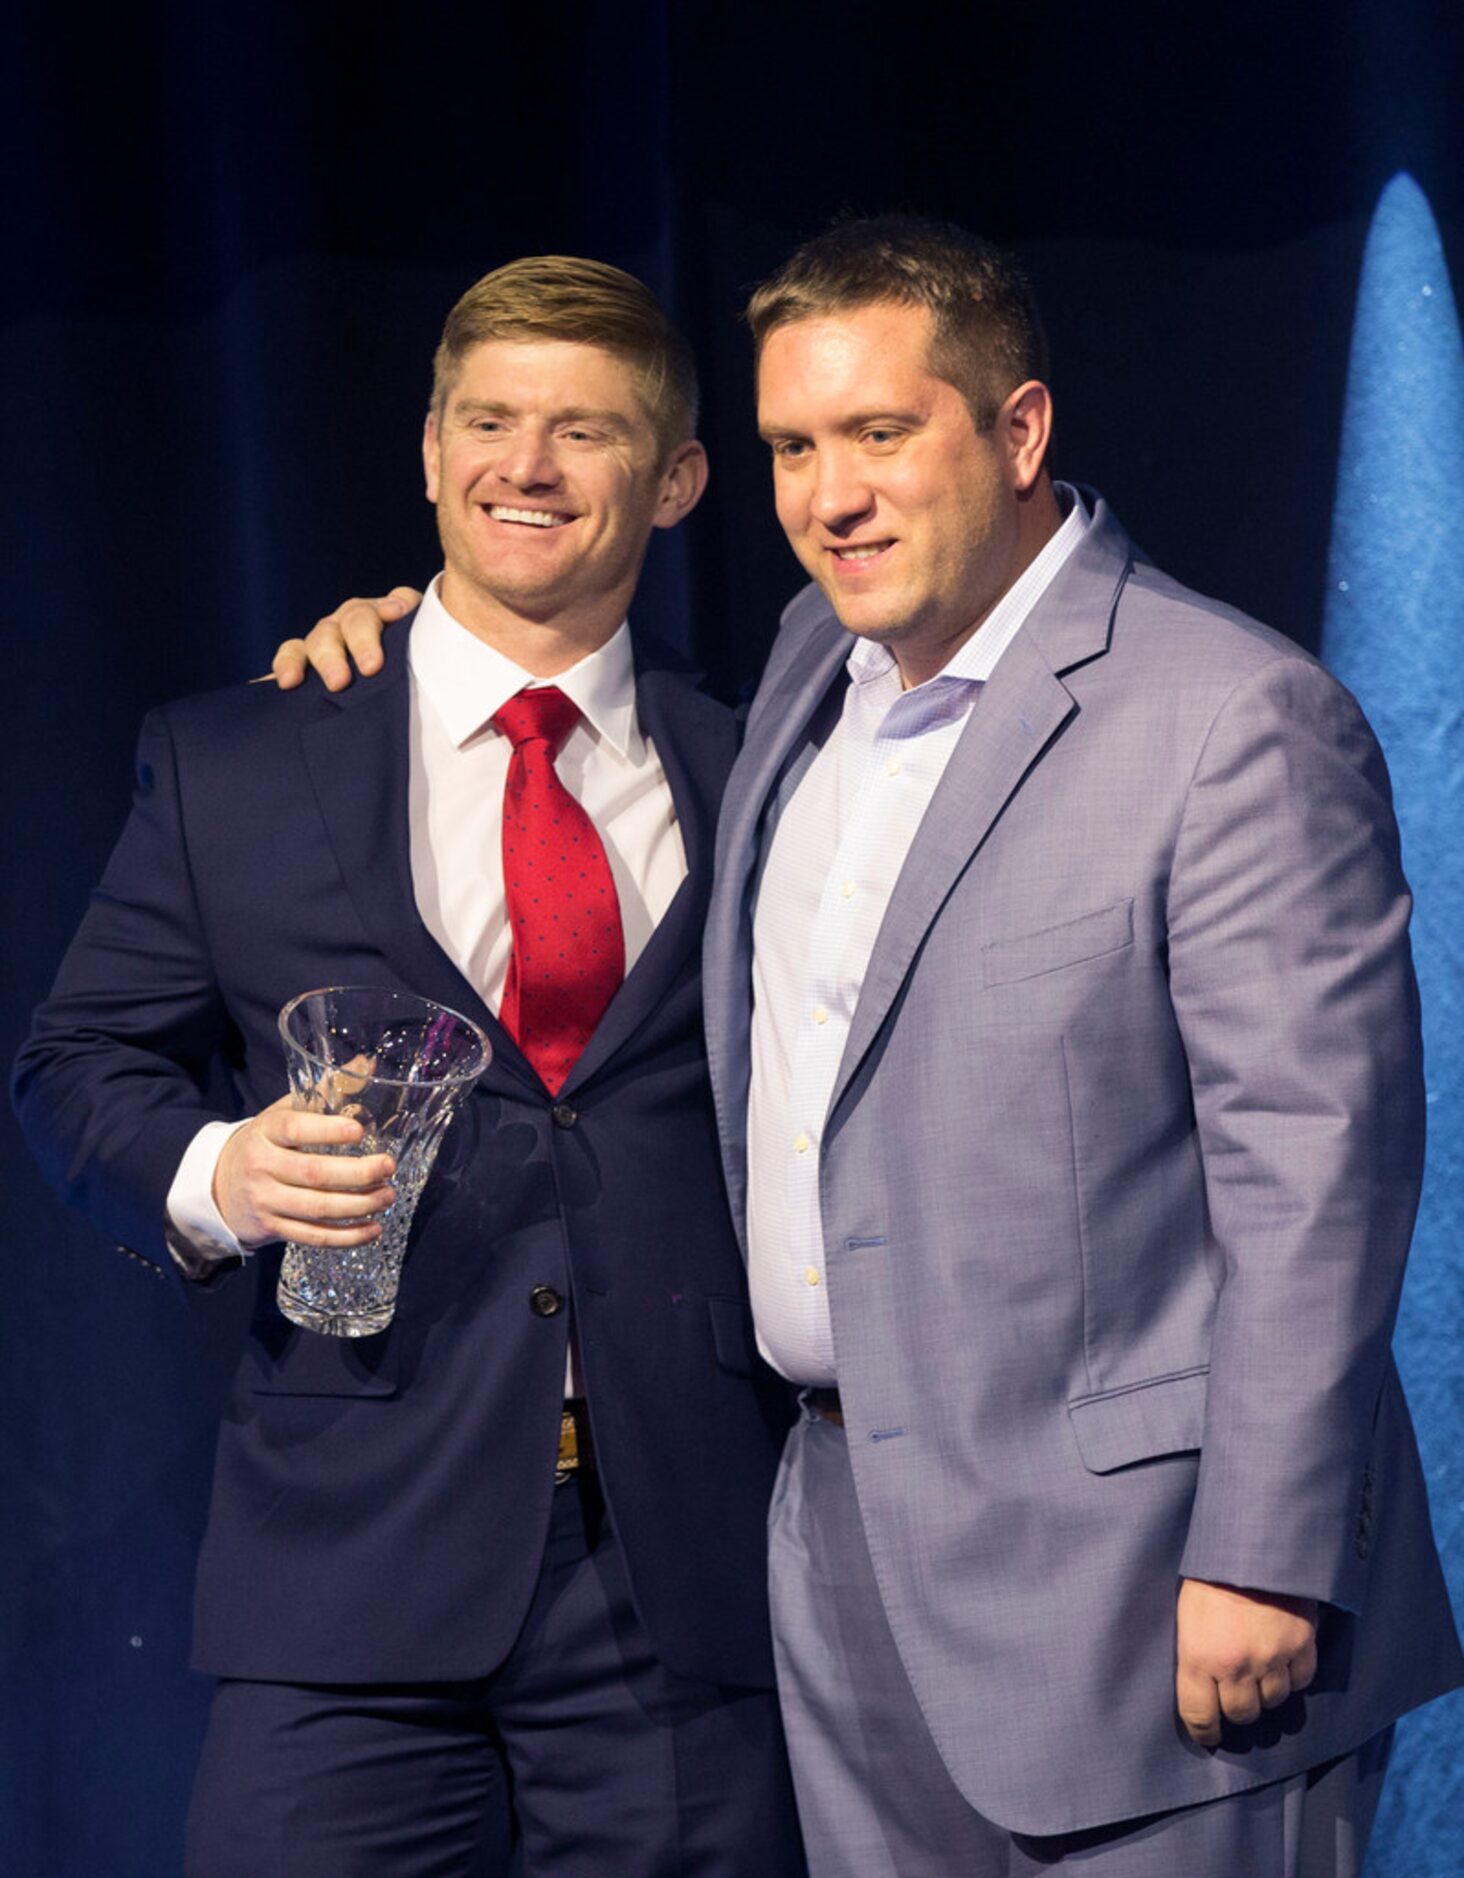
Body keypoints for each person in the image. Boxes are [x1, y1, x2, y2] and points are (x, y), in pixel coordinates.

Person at [285, 217, 1463, 1876]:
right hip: (838, 1579)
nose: (830, 494)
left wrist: (1264, 1552)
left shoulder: (1228, 716)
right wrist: (403, 642)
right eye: (790, 446)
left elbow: (1320, 1170)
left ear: (1021, 431)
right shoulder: (798, 677)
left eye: (881, 434)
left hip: (1152, 1587)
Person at [13, 256, 807, 1877]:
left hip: (682, 1587)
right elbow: (76, 1059)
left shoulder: (768, 767)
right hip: (349, 1575)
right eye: (490, 422)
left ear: (677, 482)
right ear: (430, 451)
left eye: (584, 431)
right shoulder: (238, 756)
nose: (527, 466)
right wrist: (216, 1174)